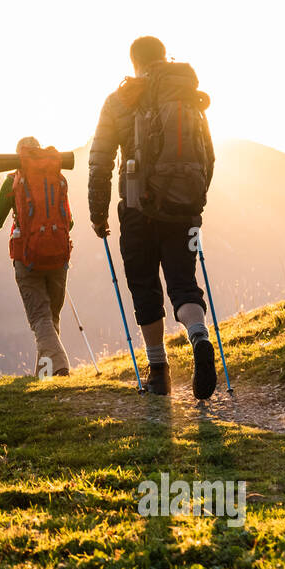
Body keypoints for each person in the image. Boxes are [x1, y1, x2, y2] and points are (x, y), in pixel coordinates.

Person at [87, 36, 218, 399]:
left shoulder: (120, 100)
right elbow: (208, 154)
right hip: (184, 208)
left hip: (136, 209)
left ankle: (158, 371)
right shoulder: (186, 93)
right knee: (183, 283)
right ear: (164, 57)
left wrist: (98, 213)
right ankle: (199, 338)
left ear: (134, 63)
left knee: (144, 285)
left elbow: (100, 160)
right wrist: (196, 200)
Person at [0, 137, 73, 377]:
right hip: (59, 257)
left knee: (39, 316)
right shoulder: (57, 178)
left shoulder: (12, 181)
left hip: (27, 257)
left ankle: (60, 366)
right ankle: (44, 376)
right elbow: (69, 222)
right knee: (50, 316)